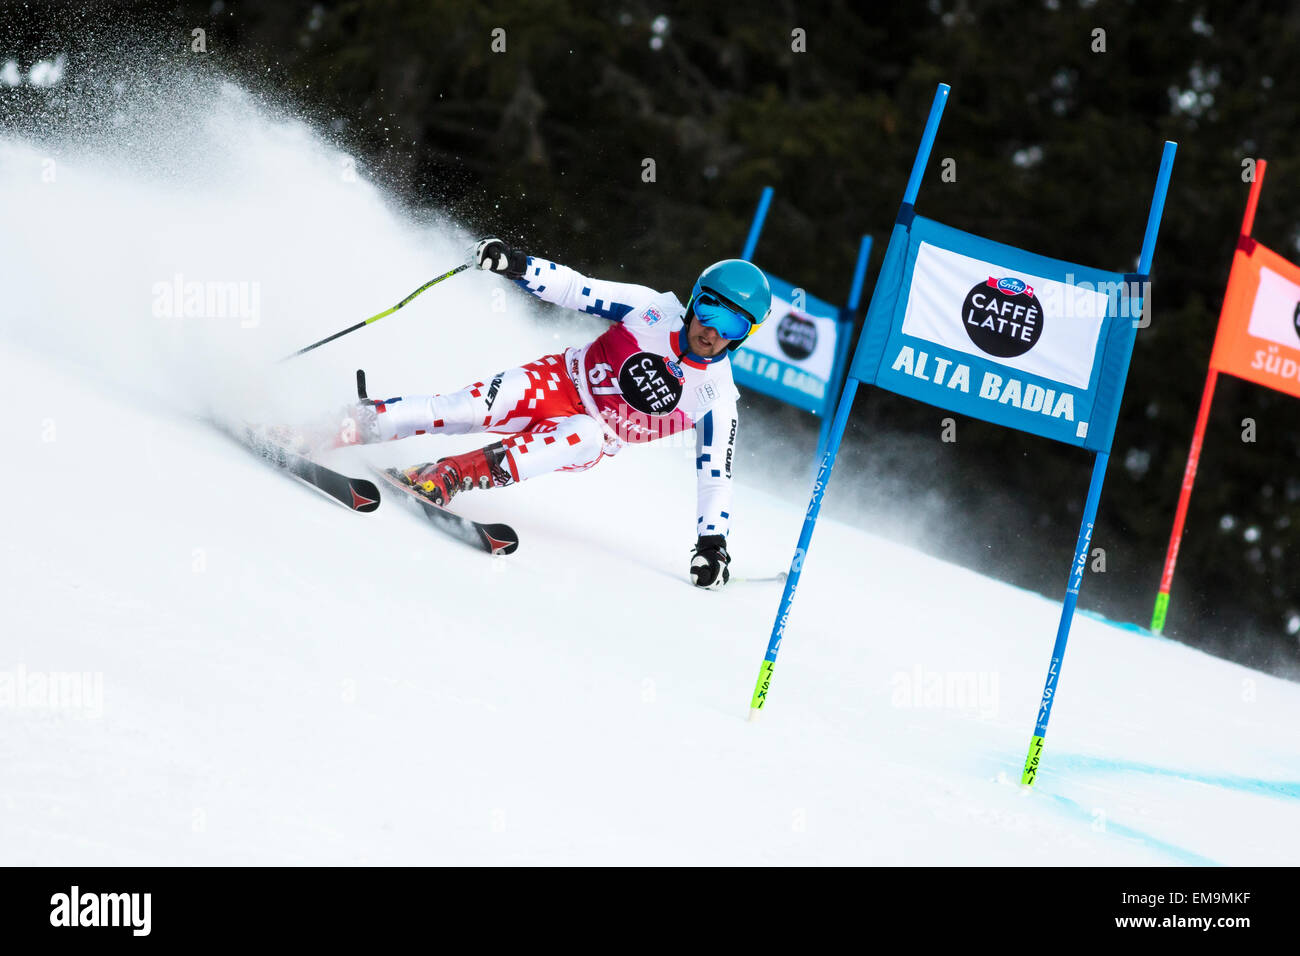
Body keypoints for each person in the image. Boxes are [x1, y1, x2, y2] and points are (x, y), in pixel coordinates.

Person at [343, 237, 770, 589]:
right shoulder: (652, 309)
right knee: (462, 410)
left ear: (744, 336)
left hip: (592, 432)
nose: (712, 332)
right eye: (711, 311)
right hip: (560, 380)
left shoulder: (717, 396)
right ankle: (354, 423)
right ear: (695, 301)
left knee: (585, 434)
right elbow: (576, 289)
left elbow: (715, 477)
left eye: (732, 327)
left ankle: (448, 475)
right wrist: (516, 264)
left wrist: (712, 545)